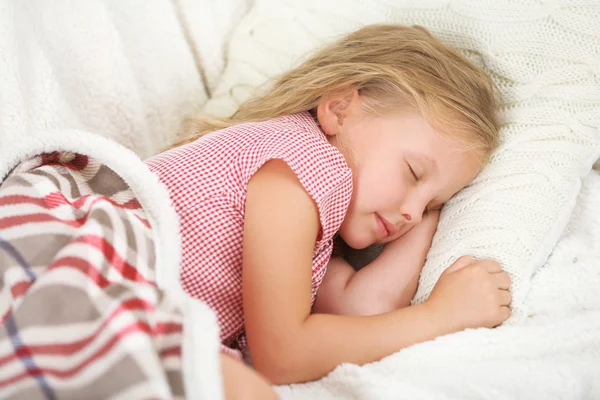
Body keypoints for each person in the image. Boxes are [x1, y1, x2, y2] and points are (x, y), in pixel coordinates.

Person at [145, 24, 512, 386]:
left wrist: (432, 214)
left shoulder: (315, 223)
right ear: (338, 110)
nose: (412, 214)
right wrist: (440, 317)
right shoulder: (304, 163)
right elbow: (283, 355)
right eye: (413, 173)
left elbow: (364, 314)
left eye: (433, 203)